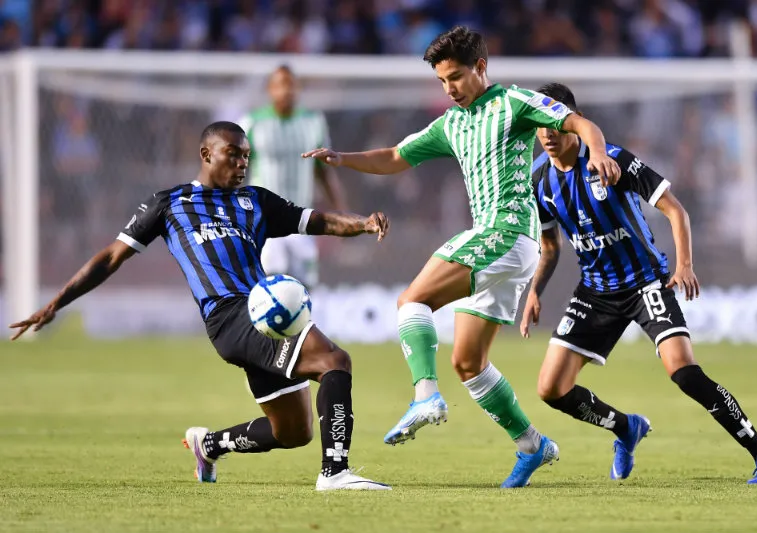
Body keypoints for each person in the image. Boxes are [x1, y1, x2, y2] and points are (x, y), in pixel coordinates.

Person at [303, 26, 621, 488]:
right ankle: (532, 445)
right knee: (469, 361)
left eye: (455, 77)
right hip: (507, 249)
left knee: (411, 302)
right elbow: (395, 156)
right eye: (441, 81)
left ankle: (425, 397)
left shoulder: (514, 102)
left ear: (481, 67)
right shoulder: (452, 124)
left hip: (505, 232)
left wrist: (595, 152)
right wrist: (342, 158)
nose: (449, 88)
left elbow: (578, 123)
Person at [9, 121, 391, 491]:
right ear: (206, 153)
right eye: (233, 155)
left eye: (246, 156)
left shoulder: (255, 200)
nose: (242, 164)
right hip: (230, 316)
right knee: (334, 360)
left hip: (263, 316)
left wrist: (363, 223)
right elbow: (112, 257)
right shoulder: (170, 204)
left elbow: (319, 221)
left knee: (293, 432)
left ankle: (208, 446)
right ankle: (335, 473)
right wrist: (57, 302)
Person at [524, 82, 757, 484]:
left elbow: (674, 209)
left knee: (683, 371)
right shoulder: (541, 183)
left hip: (645, 282)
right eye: (539, 125)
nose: (546, 133)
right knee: (550, 389)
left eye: (554, 124)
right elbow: (550, 246)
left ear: (573, 125)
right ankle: (625, 428)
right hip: (595, 292)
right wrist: (534, 291)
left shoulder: (611, 159)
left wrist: (683, 264)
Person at [240, 65, 346, 289]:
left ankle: (302, 324)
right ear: (270, 89)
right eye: (280, 85)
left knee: (305, 287)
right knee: (269, 285)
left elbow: (322, 170)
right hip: (264, 220)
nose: (286, 90)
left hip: (302, 218)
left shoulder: (314, 121)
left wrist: (340, 209)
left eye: (290, 84)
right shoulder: (251, 123)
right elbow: (235, 172)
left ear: (298, 88)